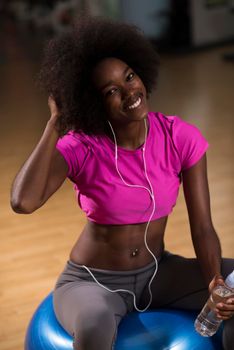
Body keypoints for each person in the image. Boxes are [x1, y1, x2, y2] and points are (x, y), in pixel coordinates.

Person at [10, 16, 234, 350]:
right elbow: (23, 202)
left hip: (158, 273)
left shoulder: (179, 137)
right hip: (93, 282)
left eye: (129, 77)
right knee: (95, 324)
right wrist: (56, 122)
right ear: (93, 103)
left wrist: (214, 281)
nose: (129, 92)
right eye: (111, 91)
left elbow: (202, 227)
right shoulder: (82, 145)